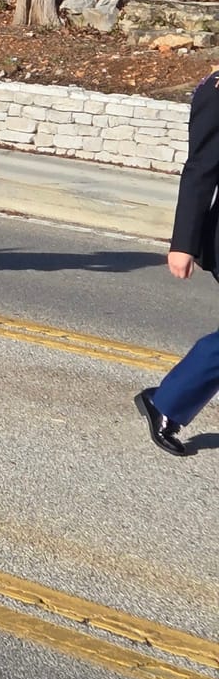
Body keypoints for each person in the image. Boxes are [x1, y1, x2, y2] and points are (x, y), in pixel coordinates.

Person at [138, 67, 219, 458]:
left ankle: (167, 402)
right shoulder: (217, 91)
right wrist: (183, 243)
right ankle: (166, 402)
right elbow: (201, 168)